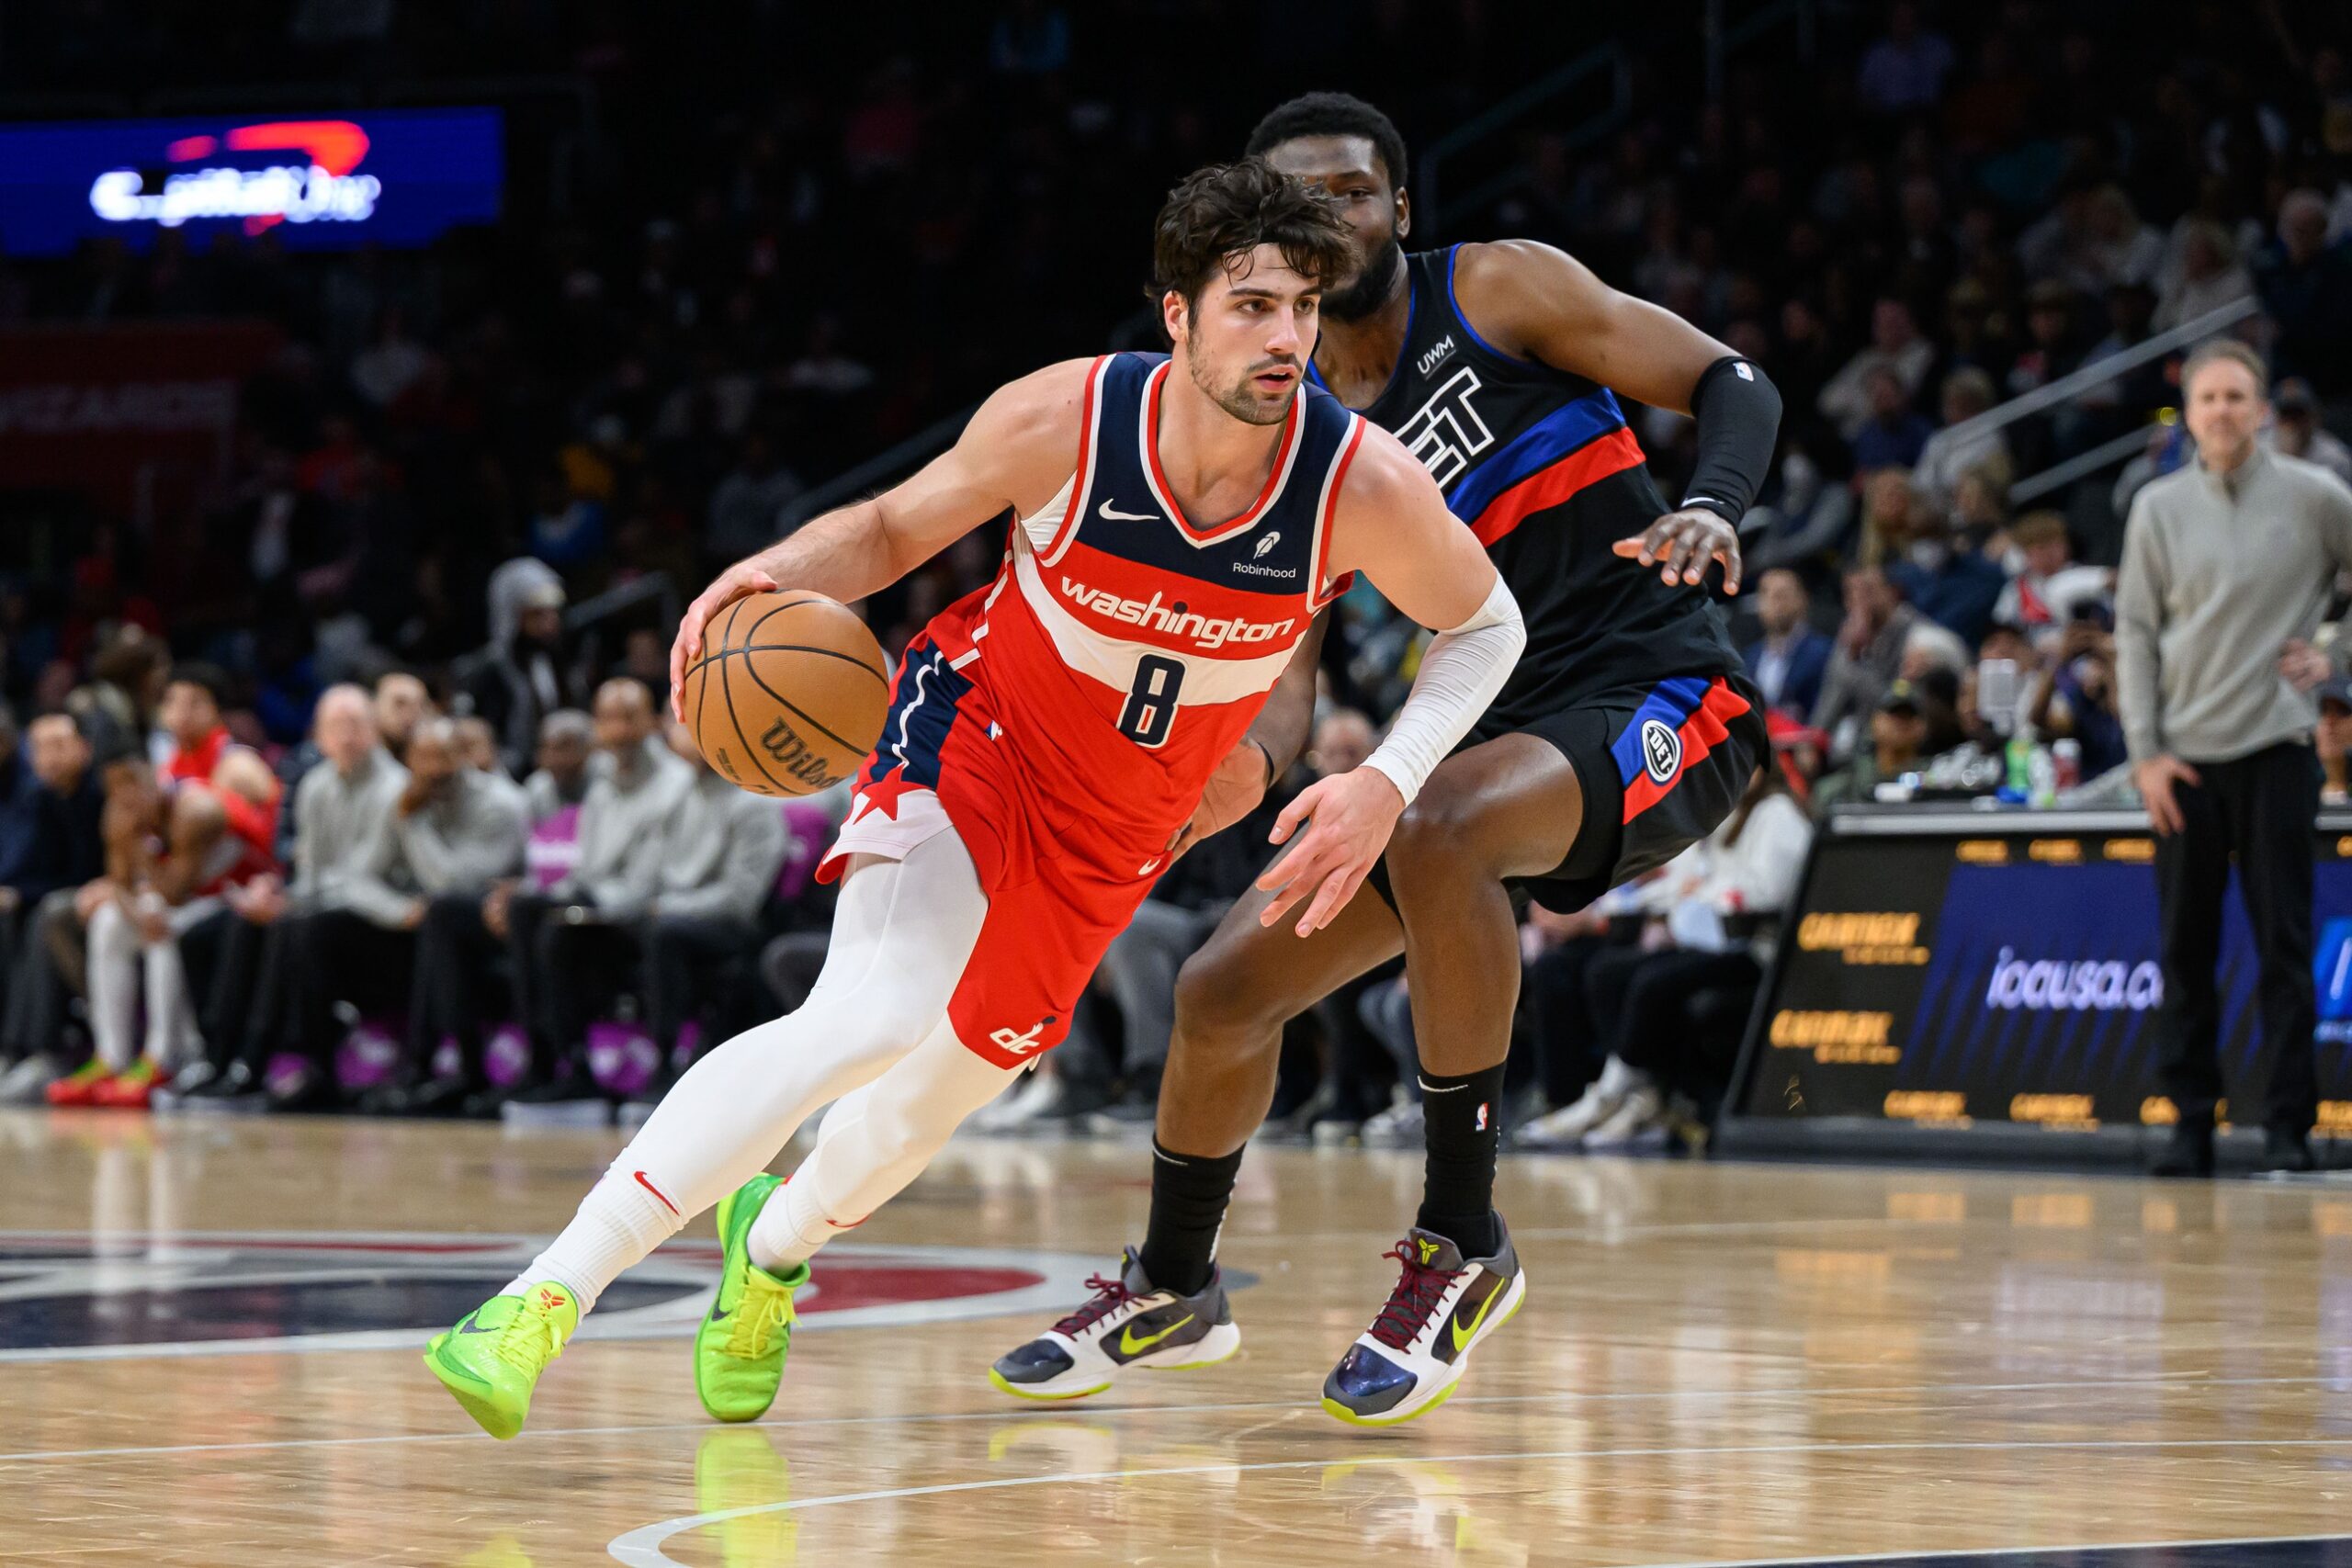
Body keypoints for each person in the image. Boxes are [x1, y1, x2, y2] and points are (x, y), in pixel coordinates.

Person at [424, 157, 1519, 1440]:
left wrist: (1386, 781)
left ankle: (768, 1248)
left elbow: (1485, 621)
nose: (1285, 338)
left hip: (1119, 830)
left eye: (1302, 309)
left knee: (921, 1107)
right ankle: (541, 1295)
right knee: (868, 1011)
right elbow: (892, 527)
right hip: (978, 732)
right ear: (1177, 313)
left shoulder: (1357, 483)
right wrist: (766, 572)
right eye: (1251, 304)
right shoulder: (1068, 417)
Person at [995, 94, 1774, 1427]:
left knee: (1441, 820)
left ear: (1400, 210)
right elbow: (1282, 686)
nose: (1333, 216)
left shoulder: (1495, 287)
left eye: (1356, 191)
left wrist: (1711, 503)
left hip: (1662, 686)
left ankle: (1462, 1240)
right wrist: (1196, 796)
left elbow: (1731, 380)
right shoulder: (1285, 436)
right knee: (1222, 987)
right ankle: (1174, 1282)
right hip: (1472, 748)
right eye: (1300, 199)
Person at [2117, 340, 2352, 1177]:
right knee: (2185, 951)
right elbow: (2135, 633)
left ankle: (2289, 1128)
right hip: (2183, 761)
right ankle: (2190, 1125)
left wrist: (2337, 659)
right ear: (2188, 410)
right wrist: (2145, 754)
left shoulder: (2318, 496)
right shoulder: (2157, 506)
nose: (2221, 410)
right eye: (2208, 397)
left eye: (2236, 396)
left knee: (2284, 946)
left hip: (2279, 747)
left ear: (2261, 409)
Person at [628, 717, 791, 1106]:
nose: (679, 738)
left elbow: (739, 899)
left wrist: (664, 908)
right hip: (671, 915)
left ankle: (666, 1064)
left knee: (665, 935)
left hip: (737, 929)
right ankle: (570, 1067)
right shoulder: (678, 793)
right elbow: (650, 872)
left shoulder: (754, 802)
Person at [1744, 568, 1832, 718]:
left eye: (1781, 595)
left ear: (1802, 599)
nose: (1773, 602)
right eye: (1766, 594)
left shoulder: (1822, 652)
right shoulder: (1750, 656)